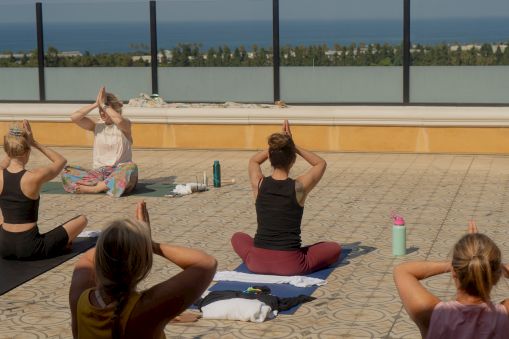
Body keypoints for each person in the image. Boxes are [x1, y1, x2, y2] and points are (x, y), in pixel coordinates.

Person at [69, 201, 217, 339]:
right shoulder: (147, 308)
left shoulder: (81, 299)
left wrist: (129, 241)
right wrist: (150, 244)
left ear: (101, 260)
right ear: (143, 265)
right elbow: (207, 263)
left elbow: (89, 258)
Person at [231, 120, 341, 276]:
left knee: (238, 237)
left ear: (269, 156)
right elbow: (320, 163)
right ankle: (297, 255)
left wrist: (276, 147)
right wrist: (292, 145)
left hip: (256, 262)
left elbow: (254, 160)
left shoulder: (259, 184)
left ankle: (270, 257)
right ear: (293, 159)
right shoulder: (299, 186)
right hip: (291, 264)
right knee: (334, 248)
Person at [394, 221, 509, 339]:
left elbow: (402, 271)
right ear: (495, 277)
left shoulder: (432, 314)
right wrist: (489, 266)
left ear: (454, 272)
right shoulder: (504, 315)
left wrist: (463, 262)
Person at [0, 121, 88, 260]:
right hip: (30, 248)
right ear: (27, 151)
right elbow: (60, 160)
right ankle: (60, 246)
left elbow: (4, 164)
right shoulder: (35, 176)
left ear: (8, 150)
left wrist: (13, 147)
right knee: (82, 220)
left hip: (3, 246)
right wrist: (34, 142)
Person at [62, 86, 138, 197]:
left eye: (105, 110)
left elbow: (119, 120)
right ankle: (105, 185)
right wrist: (96, 104)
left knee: (131, 168)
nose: (102, 113)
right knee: (67, 171)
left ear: (115, 109)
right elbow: (74, 117)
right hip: (99, 173)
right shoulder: (96, 126)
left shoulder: (125, 125)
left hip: (119, 170)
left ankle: (95, 189)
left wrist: (104, 105)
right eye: (100, 110)